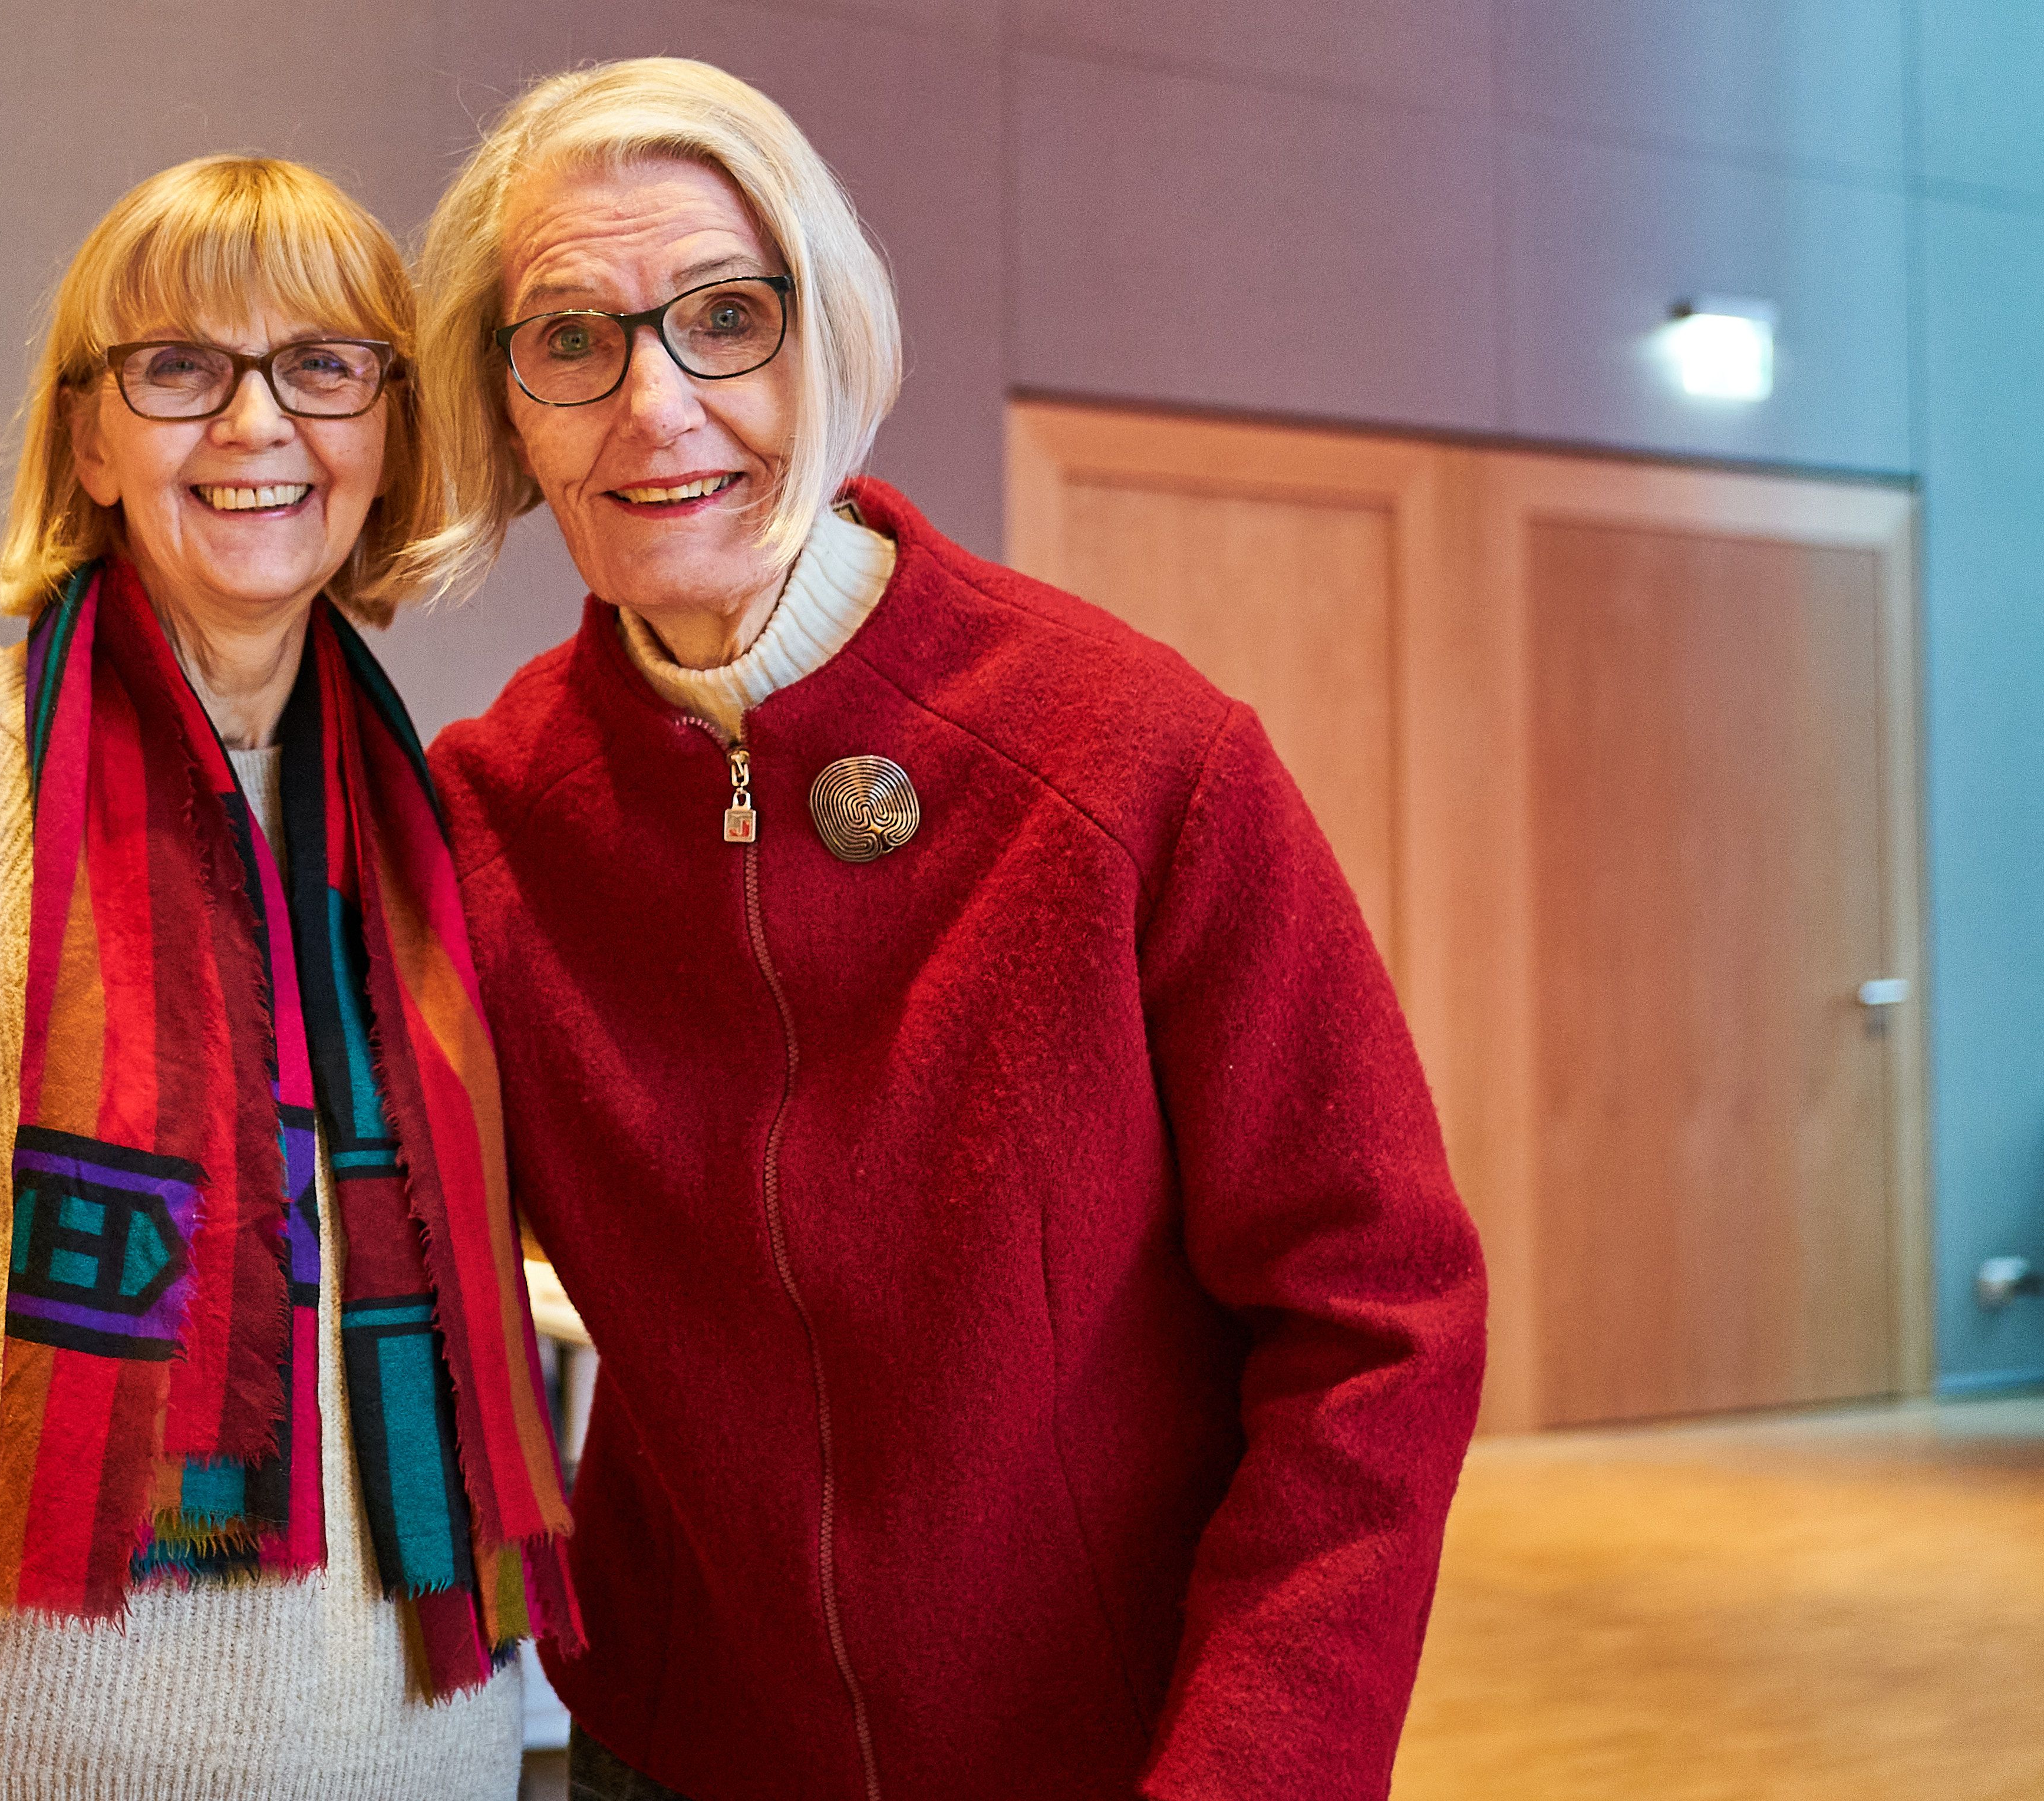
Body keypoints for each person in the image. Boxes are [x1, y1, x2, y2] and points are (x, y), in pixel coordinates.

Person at [408, 60, 1488, 1801]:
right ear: (507, 409)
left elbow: (1379, 1323)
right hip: (674, 1753)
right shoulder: (482, 817)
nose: (657, 406)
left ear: (830, 340)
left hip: (1116, 1751)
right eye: (572, 341)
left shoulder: (1132, 760)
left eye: (727, 318)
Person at [0, 154, 576, 1801]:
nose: (258, 425)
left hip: (407, 1752)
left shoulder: (441, 835)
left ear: (391, 432)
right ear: (88, 439)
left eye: (324, 365)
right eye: (181, 368)